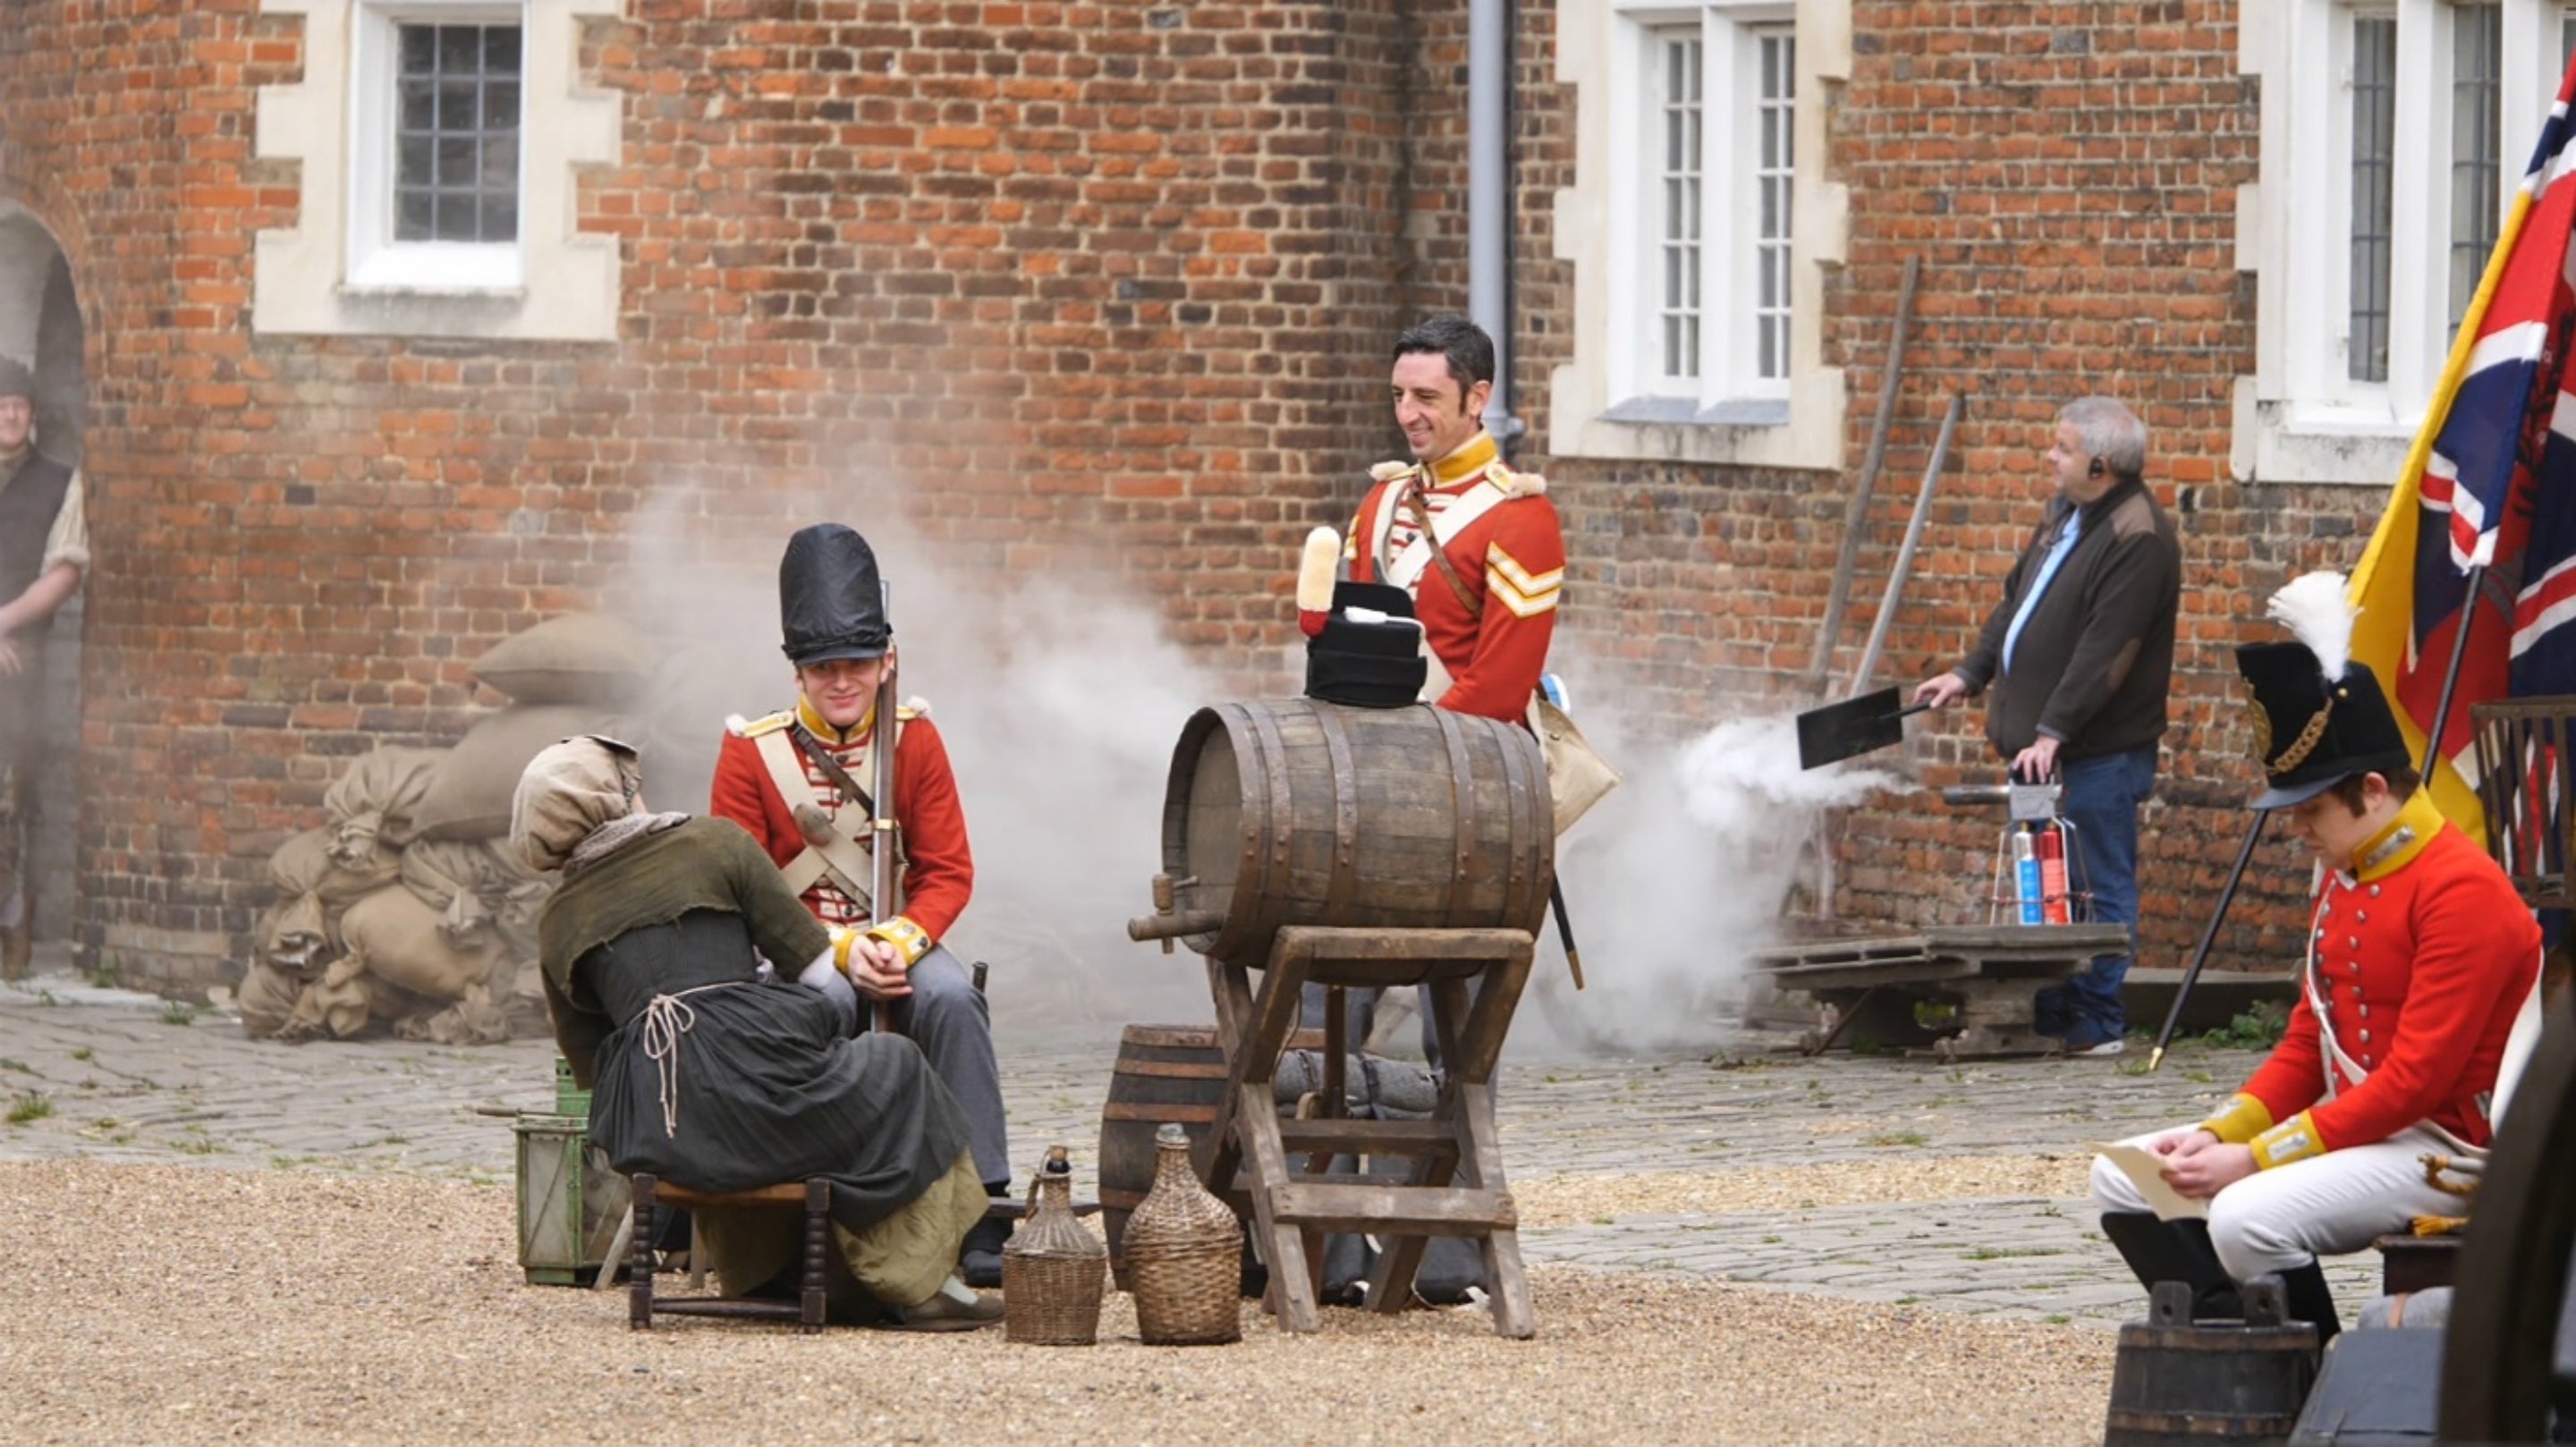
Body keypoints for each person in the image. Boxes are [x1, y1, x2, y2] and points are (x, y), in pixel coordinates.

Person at [2087, 618, 2543, 1345]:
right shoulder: (2349, 872)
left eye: (2310, 810)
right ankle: (2234, 1363)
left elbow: (2416, 1082)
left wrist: (2256, 1158)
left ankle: (2318, 1386)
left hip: (2448, 1151)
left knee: (2246, 1215)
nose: (2297, 828)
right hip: (2370, 1131)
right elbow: (2309, 1040)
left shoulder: (2463, 889)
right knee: (2126, 1178)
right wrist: (2217, 1134)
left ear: (2371, 788)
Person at [512, 734, 1000, 1329]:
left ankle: (776, 1271)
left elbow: (592, 1071)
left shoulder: (557, 920)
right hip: (760, 1088)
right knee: (890, 1066)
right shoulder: (712, 842)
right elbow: (822, 977)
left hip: (658, 1132)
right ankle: (913, 1281)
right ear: (618, 797)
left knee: (735, 1106)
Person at [708, 523, 1013, 1287]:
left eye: (857, 664)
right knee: (824, 1002)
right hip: (798, 950)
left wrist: (900, 945)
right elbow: (742, 887)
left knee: (951, 1002)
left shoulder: (916, 740)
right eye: (822, 668)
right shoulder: (750, 751)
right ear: (799, 674)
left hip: (897, 939)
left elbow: (947, 871)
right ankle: (821, 1203)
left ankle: (983, 1212)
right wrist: (841, 951)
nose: (841, 681)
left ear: (885, 664)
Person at [1912, 396, 2180, 1055]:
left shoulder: (2137, 535)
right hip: (2039, 753)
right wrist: (1969, 673)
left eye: (2060, 448)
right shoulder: (2066, 515)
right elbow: (2016, 601)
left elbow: (2108, 648)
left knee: (2097, 881)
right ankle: (2050, 1013)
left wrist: (2054, 730)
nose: (2048, 457)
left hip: (2093, 752)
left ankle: (2097, 1023)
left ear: (2100, 462)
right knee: (2045, 884)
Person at [1342, 313, 1565, 724]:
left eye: (1425, 398)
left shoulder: (1520, 515)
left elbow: (1500, 686)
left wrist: (1414, 748)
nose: (1407, 414)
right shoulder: (1381, 499)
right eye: (1398, 396)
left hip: (1470, 760)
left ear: (1477, 399)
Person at [0, 353, 85, 981]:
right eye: (0, 405)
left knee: (10, 793)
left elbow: (65, 572)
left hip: (17, 661)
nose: (10, 413)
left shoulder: (61, 480)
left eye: (19, 405)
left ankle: (11, 927)